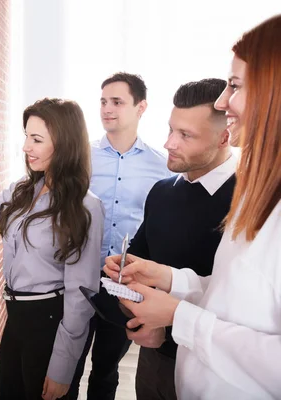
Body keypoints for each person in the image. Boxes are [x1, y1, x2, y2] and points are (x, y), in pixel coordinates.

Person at [104, 15, 281, 400]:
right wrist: (163, 277)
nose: (224, 101)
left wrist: (176, 316)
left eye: (234, 86)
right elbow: (230, 296)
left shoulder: (247, 194)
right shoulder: (257, 195)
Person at [0, 98, 104, 400]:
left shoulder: (85, 207)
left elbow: (81, 295)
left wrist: (63, 367)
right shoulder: (22, 191)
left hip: (50, 321)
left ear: (64, 144)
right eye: (27, 136)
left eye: (37, 139)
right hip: (15, 317)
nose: (26, 147)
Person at [124, 78, 236, 400]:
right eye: (171, 129)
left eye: (185, 135)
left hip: (215, 368)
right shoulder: (160, 193)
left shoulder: (252, 202)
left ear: (224, 137)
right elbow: (139, 263)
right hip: (152, 360)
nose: (169, 143)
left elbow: (241, 300)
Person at [69, 72, 170, 400]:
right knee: (67, 365)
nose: (106, 109)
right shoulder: (81, 158)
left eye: (117, 102)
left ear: (141, 108)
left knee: (106, 370)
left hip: (125, 283)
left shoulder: (163, 167)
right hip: (79, 279)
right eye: (102, 102)